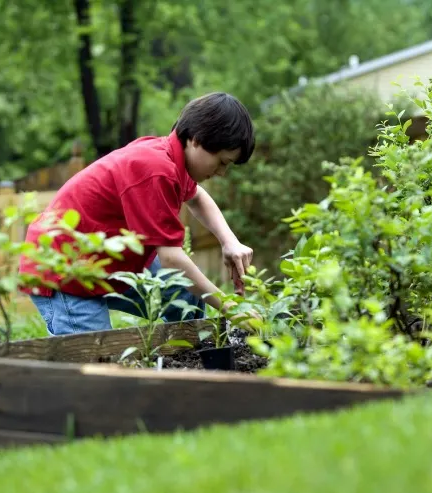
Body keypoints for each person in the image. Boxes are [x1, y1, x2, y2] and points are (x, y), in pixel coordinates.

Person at [18, 92, 257, 336]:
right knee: (96, 358)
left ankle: (179, 359)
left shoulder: (174, 159)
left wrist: (229, 241)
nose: (221, 172)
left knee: (184, 291)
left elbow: (196, 197)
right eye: (222, 162)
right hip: (63, 270)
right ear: (196, 139)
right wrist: (229, 306)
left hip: (100, 259)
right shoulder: (156, 169)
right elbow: (171, 259)